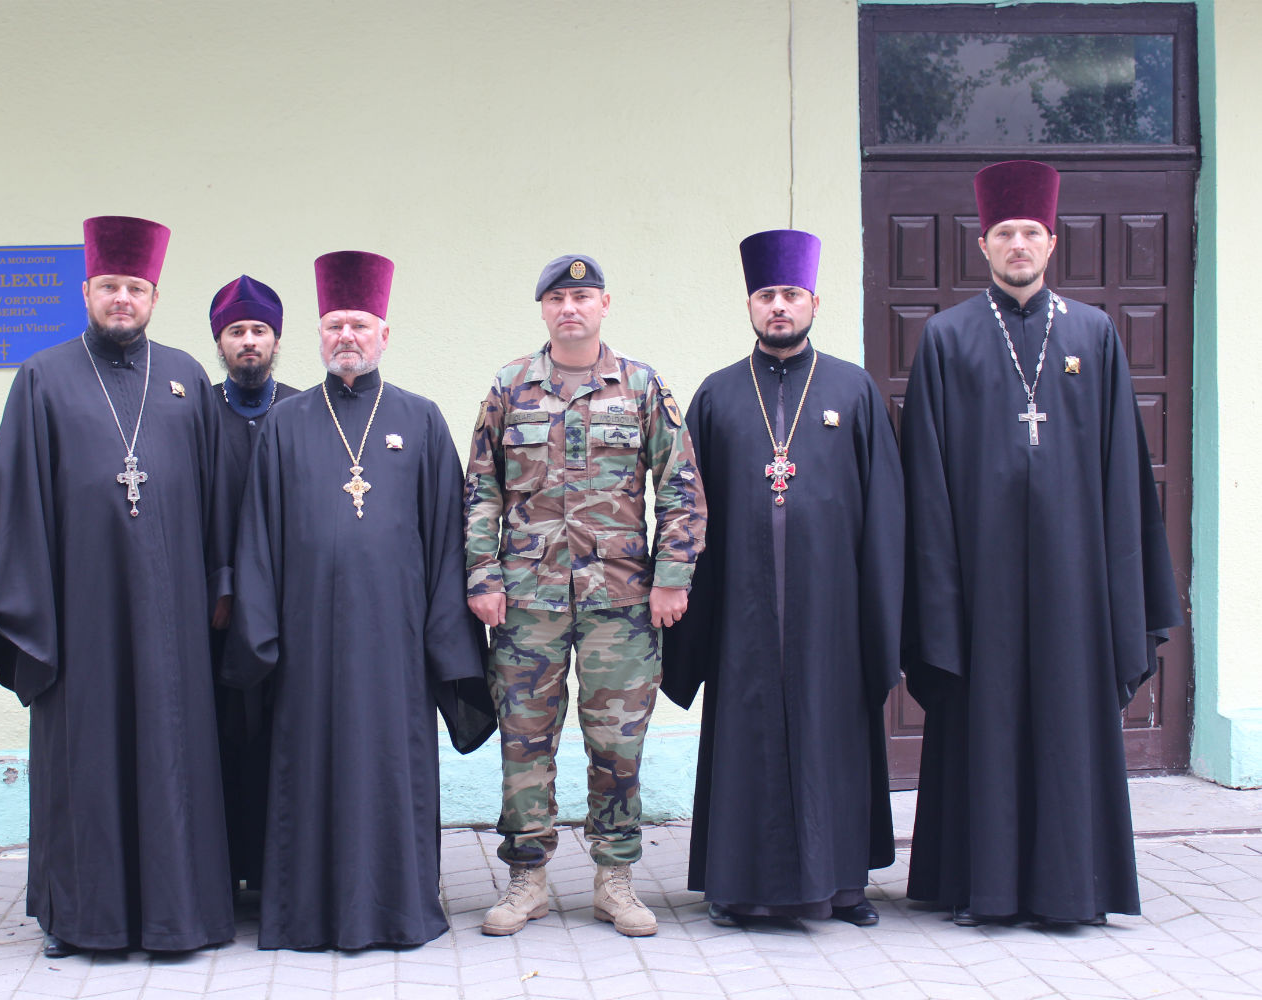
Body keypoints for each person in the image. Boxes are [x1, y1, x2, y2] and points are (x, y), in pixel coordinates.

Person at [900, 160, 1183, 927]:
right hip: (980, 581)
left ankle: (1071, 891)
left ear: (1052, 243)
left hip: (1073, 581)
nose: (1018, 244)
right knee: (984, 722)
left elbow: (1123, 471)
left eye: (1031, 232)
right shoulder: (947, 338)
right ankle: (983, 889)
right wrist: (937, 596)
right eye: (1005, 233)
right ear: (982, 244)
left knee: (1067, 722)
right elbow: (925, 479)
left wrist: (1121, 587)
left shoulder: (1093, 333)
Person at [0, 216, 235, 957]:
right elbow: (12, 498)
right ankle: (81, 919)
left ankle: (178, 917)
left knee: (172, 752)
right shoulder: (43, 377)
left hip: (172, 614)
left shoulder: (185, 378)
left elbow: (218, 499)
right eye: (109, 286)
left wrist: (222, 586)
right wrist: (30, 608)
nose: (122, 299)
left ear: (154, 296)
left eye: (135, 287)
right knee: (86, 757)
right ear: (86, 292)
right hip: (81, 614)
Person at [223, 250, 495, 950]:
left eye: (360, 324)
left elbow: (447, 540)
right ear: (319, 335)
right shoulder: (285, 423)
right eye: (336, 324)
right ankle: (306, 915)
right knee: (307, 772)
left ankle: (397, 910)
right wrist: (261, 643)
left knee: (389, 772)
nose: (348, 335)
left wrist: (442, 643)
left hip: (395, 649)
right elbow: (259, 541)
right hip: (306, 646)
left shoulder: (421, 420)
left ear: (384, 334)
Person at [662, 230, 904, 929]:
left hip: (832, 611)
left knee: (834, 737)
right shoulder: (716, 395)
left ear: (813, 303)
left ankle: (844, 886)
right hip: (742, 611)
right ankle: (737, 888)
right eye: (767, 295)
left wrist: (881, 614)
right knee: (748, 738)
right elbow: (688, 505)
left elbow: (885, 509)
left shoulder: (853, 389)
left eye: (791, 295)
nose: (779, 306)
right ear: (749, 304)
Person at [465, 254, 706, 937]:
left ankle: (615, 878)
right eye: (557, 299)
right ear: (544, 309)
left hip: (620, 604)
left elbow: (680, 485)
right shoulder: (510, 385)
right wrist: (482, 576)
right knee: (524, 742)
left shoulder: (641, 385)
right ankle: (527, 878)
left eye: (582, 297)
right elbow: (481, 488)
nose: (570, 308)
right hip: (526, 602)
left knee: (618, 746)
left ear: (605, 305)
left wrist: (672, 576)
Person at [206, 275, 299, 895]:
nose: (248, 341)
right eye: (236, 331)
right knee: (221, 738)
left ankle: (273, 874)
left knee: (276, 736)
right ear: (220, 342)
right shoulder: (196, 412)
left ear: (276, 341)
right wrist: (221, 583)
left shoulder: (302, 412)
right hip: (215, 611)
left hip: (288, 607)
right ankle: (220, 872)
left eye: (258, 331)